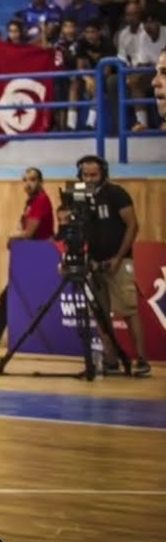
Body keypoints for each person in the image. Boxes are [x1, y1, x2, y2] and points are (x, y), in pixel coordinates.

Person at [74, 155, 150, 376]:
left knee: (129, 311)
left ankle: (142, 361)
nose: (89, 179)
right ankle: (111, 360)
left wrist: (118, 257)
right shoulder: (80, 196)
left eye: (94, 175)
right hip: (95, 262)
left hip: (119, 260)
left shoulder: (116, 193)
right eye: (85, 175)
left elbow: (133, 225)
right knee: (100, 314)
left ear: (104, 174)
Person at [0, 167, 54, 354]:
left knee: (11, 298)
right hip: (29, 259)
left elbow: (29, 233)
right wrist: (15, 236)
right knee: (7, 298)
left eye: (32, 179)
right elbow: (23, 228)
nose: (28, 184)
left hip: (38, 260)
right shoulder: (30, 203)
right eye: (25, 180)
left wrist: (12, 237)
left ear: (40, 181)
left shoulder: (40, 201)